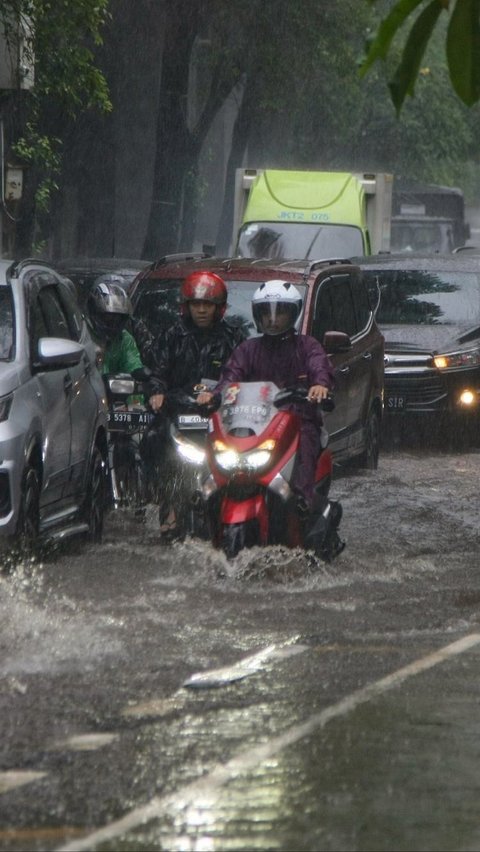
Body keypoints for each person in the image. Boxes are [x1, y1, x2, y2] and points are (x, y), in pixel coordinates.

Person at [197, 279, 335, 512]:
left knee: (307, 445)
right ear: (257, 315)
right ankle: (206, 498)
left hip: (298, 422)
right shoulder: (248, 349)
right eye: (266, 312)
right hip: (254, 424)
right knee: (215, 447)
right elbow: (230, 377)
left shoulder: (307, 346)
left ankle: (303, 502)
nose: (272, 319)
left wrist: (319, 385)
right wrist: (214, 396)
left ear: (292, 314)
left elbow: (319, 366)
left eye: (280, 312)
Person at [145, 270, 246, 537]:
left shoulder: (233, 338)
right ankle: (168, 506)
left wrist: (220, 396)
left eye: (207, 305)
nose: (201, 310)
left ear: (219, 308)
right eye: (196, 304)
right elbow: (157, 372)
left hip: (220, 414)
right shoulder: (171, 336)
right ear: (186, 307)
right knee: (154, 441)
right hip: (177, 412)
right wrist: (156, 393)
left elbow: (242, 376)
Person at [86, 275, 144, 376]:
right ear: (95, 312)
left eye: (117, 318)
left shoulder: (124, 339)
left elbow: (133, 364)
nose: (113, 322)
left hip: (116, 389)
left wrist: (139, 374)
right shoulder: (84, 336)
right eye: (108, 317)